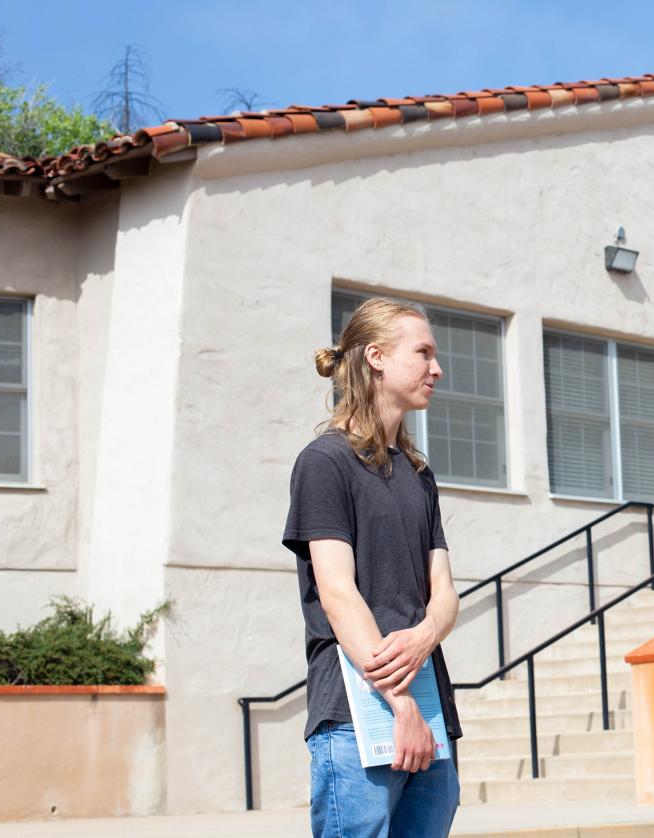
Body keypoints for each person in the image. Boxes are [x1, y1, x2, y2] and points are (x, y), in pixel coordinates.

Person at [283, 297, 462, 838]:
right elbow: (338, 593)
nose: (437, 368)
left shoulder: (419, 473)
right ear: (377, 357)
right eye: (424, 353)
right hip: (355, 716)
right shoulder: (325, 463)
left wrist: (427, 633)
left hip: (429, 716)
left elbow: (446, 592)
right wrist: (398, 702)